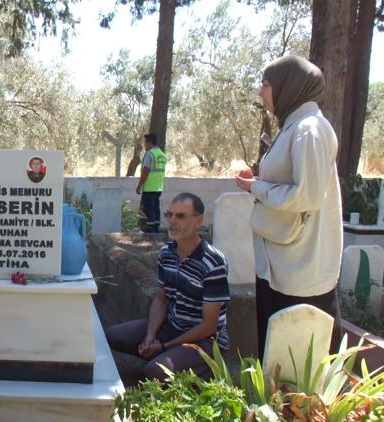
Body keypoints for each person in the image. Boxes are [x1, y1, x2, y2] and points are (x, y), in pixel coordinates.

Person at [235, 55, 342, 360]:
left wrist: (257, 187)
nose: (261, 92)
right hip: (281, 265)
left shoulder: (309, 130)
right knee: (276, 363)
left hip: (299, 271)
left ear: (288, 86)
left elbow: (307, 197)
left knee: (297, 370)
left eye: (266, 84)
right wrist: (257, 182)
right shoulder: (293, 126)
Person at [106, 193, 230, 381]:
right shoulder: (167, 253)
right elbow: (160, 299)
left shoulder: (213, 262)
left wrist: (165, 346)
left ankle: (205, 368)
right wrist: (150, 336)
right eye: (169, 215)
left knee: (154, 372)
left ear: (198, 221)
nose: (172, 221)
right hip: (172, 326)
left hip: (205, 340)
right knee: (112, 336)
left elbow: (209, 326)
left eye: (180, 216)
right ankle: (169, 358)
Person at [136, 133, 167, 233]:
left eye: (145, 143)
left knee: (148, 208)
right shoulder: (162, 155)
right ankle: (156, 227)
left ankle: (150, 229)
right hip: (158, 187)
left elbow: (145, 172)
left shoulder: (150, 155)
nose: (144, 145)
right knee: (156, 208)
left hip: (149, 186)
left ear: (149, 142)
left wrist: (139, 186)